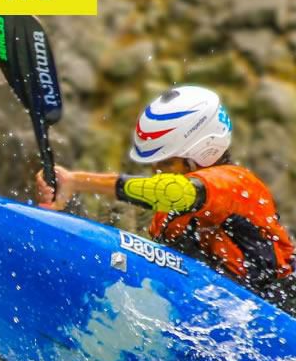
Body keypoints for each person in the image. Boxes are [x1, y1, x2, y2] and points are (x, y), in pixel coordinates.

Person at [36, 85, 296, 312]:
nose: (158, 172)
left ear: (203, 152)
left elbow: (173, 191)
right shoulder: (168, 217)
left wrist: (78, 181)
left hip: (282, 306)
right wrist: (60, 208)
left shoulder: (237, 184)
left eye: (167, 162)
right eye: (155, 165)